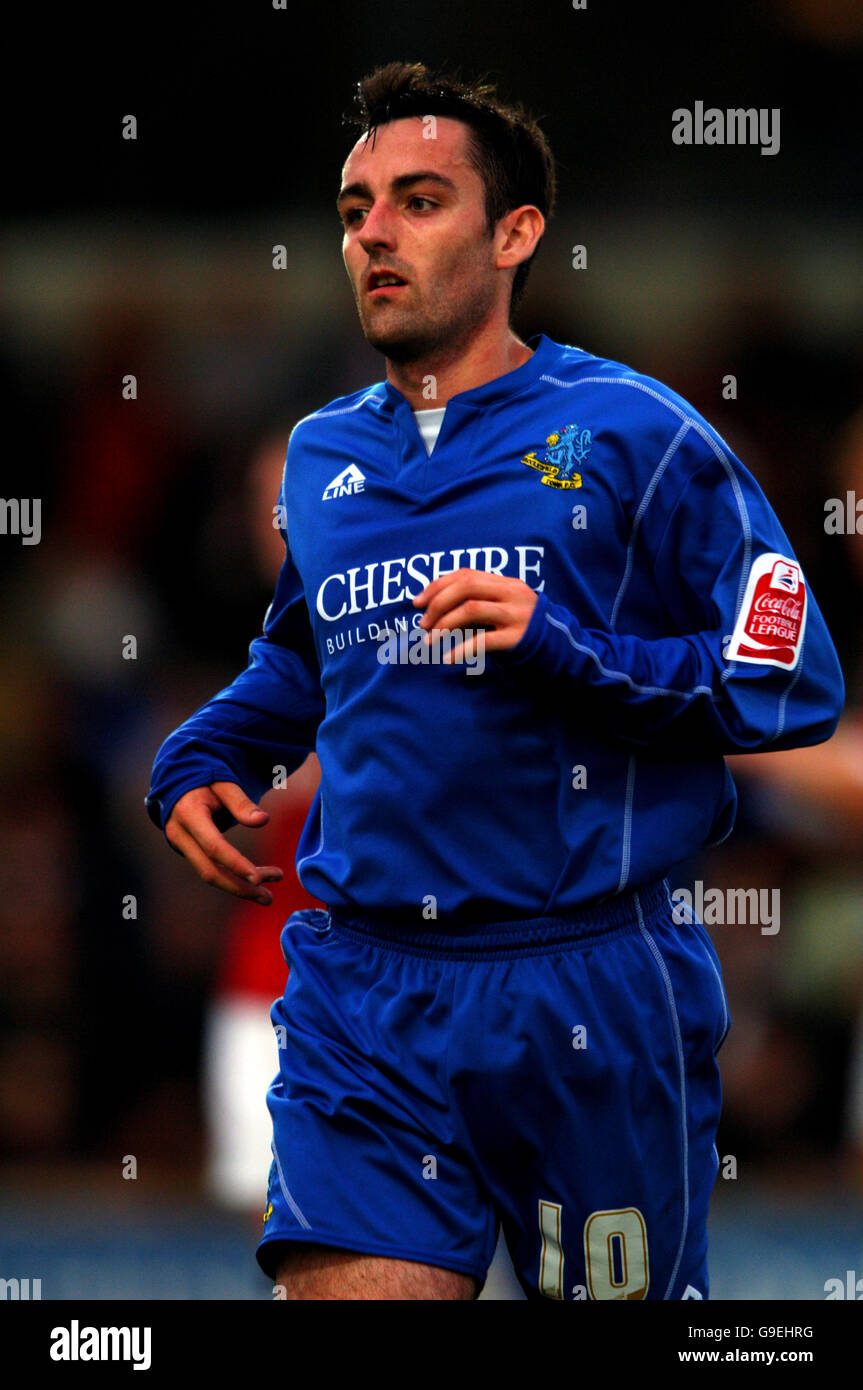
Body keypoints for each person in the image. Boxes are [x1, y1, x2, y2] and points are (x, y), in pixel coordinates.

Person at [145, 60, 844, 1300]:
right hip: (365, 993)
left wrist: (567, 651)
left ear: (515, 232)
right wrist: (203, 754)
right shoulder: (318, 456)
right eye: (355, 206)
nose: (372, 233)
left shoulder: (643, 434)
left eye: (418, 200)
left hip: (591, 989)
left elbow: (790, 678)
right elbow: (304, 660)